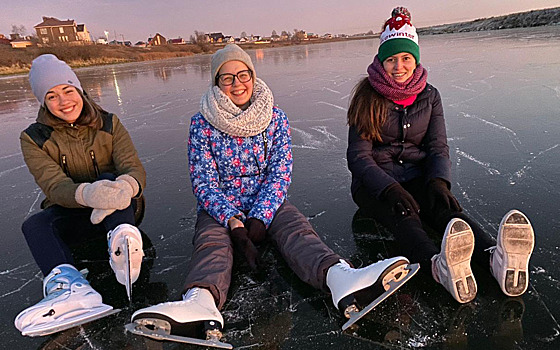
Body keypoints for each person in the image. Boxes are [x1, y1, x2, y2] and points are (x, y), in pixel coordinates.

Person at [127, 44, 418, 346]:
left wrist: (261, 217)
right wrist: (233, 223)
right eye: (227, 78)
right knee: (211, 244)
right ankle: (201, 300)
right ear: (216, 83)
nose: (237, 83)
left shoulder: (274, 118)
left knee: (298, 232)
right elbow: (204, 182)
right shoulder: (202, 123)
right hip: (220, 207)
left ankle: (338, 278)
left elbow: (280, 172)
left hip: (268, 201)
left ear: (252, 76)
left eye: (243, 74)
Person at [346, 7, 535, 304]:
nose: (399, 66)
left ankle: (493, 259)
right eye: (391, 59)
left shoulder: (430, 96)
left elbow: (437, 146)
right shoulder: (366, 96)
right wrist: (390, 188)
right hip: (375, 185)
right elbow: (358, 158)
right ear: (381, 61)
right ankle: (438, 267)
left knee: (447, 213)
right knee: (406, 218)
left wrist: (438, 182)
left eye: (406, 58)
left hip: (418, 176)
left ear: (416, 59)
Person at [14, 54, 147, 337]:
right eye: (52, 96)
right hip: (75, 214)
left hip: (120, 210)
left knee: (109, 179)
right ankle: (71, 288)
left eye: (67, 90)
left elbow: (132, 167)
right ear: (43, 102)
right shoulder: (34, 138)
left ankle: (124, 245)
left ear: (79, 90)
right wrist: (88, 194)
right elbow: (54, 186)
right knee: (34, 225)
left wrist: (125, 187)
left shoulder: (109, 124)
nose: (63, 101)